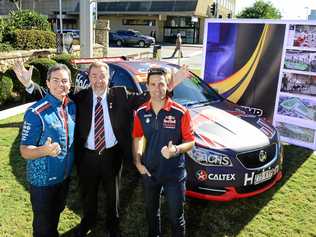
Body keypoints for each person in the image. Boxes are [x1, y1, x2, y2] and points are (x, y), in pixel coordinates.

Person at [14, 60, 189, 237]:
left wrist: (172, 82)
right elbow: (52, 96)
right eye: (94, 76)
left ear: (109, 77)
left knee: (113, 195)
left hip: (111, 155)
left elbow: (147, 96)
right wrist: (29, 85)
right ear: (88, 78)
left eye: (102, 76)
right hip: (86, 156)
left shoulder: (120, 94)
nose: (98, 80)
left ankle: (113, 224)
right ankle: (88, 221)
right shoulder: (80, 97)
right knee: (87, 193)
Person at [132, 67, 195, 237]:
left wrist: (176, 149)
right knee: (152, 215)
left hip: (174, 174)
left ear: (167, 85)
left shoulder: (181, 112)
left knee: (176, 217)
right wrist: (138, 163)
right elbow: (137, 138)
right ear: (147, 86)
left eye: (161, 84)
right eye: (153, 84)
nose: (157, 88)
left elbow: (190, 141)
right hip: (150, 172)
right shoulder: (140, 112)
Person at [19, 64, 76, 237]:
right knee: (43, 227)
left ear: (70, 84)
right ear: (48, 83)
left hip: (63, 177)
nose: (61, 85)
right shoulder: (35, 112)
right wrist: (44, 150)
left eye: (65, 81)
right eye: (56, 81)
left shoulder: (71, 106)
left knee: (55, 217)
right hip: (42, 182)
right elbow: (24, 150)